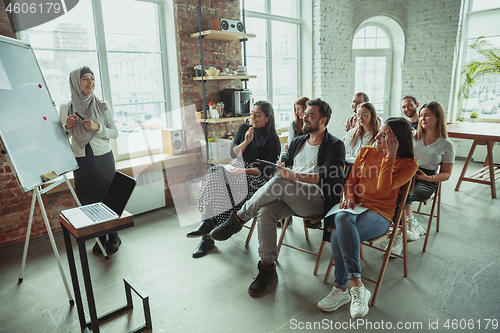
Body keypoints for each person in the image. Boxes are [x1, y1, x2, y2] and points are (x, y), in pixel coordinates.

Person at [210, 98, 345, 296]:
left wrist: (292, 175)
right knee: (266, 211)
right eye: (304, 113)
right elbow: (286, 163)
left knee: (282, 181)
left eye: (310, 115)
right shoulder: (299, 141)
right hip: (291, 196)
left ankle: (237, 218)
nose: (304, 117)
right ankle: (267, 269)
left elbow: (325, 177)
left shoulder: (335, 145)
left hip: (317, 200)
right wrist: (283, 166)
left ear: (323, 120)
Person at [317, 117, 418, 319]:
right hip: (356, 207)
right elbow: (350, 182)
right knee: (342, 218)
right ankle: (357, 286)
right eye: (379, 132)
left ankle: (342, 289)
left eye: (384, 134)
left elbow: (383, 188)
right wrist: (349, 198)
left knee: (338, 234)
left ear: (397, 140)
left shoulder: (409, 164)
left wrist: (390, 156)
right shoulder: (366, 152)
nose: (378, 136)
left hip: (380, 214)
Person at [186, 101, 281, 258]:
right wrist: (246, 141)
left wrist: (242, 171)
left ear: (267, 118)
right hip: (237, 170)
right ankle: (207, 223)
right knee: (214, 172)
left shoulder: (272, 139)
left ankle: (207, 236)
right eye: (252, 113)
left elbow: (266, 170)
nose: (253, 117)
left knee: (228, 189)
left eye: (258, 114)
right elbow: (233, 154)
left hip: (255, 176)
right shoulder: (245, 128)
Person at [59, 66, 120, 255]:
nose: (90, 82)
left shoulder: (102, 104)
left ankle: (114, 236)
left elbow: (114, 132)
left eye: (92, 78)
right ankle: (100, 237)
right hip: (81, 161)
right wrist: (66, 127)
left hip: (103, 158)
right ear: (76, 83)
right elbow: (61, 138)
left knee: (108, 199)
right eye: (84, 79)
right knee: (88, 201)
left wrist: (97, 127)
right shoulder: (65, 108)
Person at [390, 101, 455, 255]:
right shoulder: (412, 136)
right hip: (407, 172)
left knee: (404, 195)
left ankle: (399, 235)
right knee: (392, 191)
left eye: (427, 115)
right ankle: (409, 222)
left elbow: (446, 174)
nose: (423, 118)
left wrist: (428, 179)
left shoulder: (446, 145)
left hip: (429, 178)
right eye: (421, 115)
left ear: (438, 117)